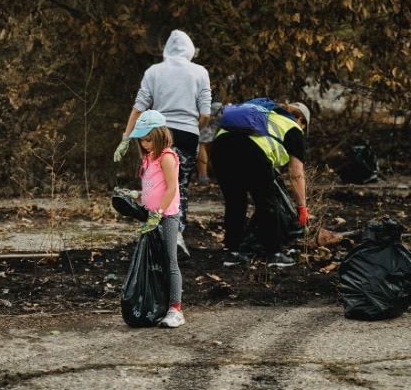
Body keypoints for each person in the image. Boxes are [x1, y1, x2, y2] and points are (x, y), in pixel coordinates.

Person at [114, 30, 211, 258]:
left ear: (167, 48)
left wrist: (126, 138)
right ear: (189, 49)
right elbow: (205, 114)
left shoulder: (154, 72)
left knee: (153, 183)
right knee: (179, 186)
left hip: (158, 133)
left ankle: (154, 232)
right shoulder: (200, 72)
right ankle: (176, 234)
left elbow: (139, 107)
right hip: (188, 134)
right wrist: (191, 126)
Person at [211, 101, 311, 268]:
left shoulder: (266, 113)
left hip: (220, 146)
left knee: (235, 201)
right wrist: (302, 207)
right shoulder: (292, 128)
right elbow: (296, 174)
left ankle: (232, 253)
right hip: (252, 152)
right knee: (267, 203)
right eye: (304, 127)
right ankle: (275, 254)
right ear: (300, 120)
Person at [128, 110, 184, 328]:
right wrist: (137, 197)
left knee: (170, 261)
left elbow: (171, 189)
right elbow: (151, 187)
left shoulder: (167, 157)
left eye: (148, 139)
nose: (144, 144)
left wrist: (159, 213)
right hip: (151, 216)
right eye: (142, 140)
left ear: (160, 135)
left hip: (166, 217)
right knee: (155, 261)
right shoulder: (149, 158)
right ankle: (158, 303)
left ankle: (176, 309)